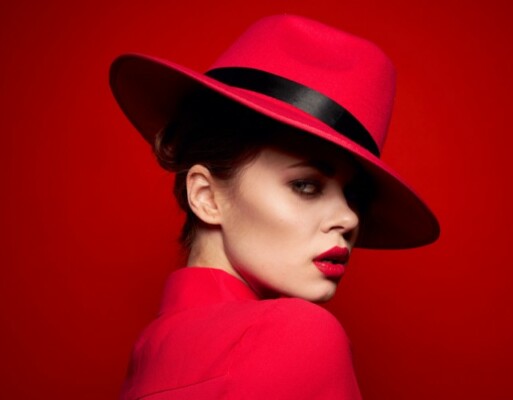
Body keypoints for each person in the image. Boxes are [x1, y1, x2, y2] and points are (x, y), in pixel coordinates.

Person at [110, 14, 439, 400]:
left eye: (353, 196)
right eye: (306, 185)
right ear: (206, 196)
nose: (349, 219)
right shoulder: (298, 335)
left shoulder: (150, 354)